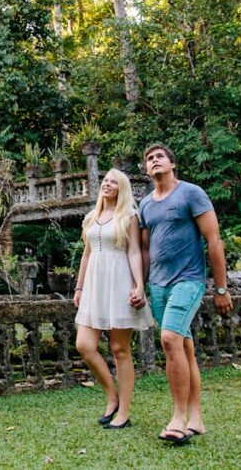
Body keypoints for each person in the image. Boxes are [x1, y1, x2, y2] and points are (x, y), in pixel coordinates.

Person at [138, 144, 233, 445]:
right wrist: (140, 285)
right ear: (146, 169)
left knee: (168, 339)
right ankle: (196, 418)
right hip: (158, 285)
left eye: (159, 157)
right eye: (149, 159)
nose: (154, 161)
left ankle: (178, 418)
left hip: (189, 280)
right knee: (184, 347)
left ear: (172, 163)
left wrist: (221, 288)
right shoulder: (145, 205)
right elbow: (143, 249)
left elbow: (214, 240)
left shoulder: (191, 193)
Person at [73, 168, 155, 430]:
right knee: (84, 345)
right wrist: (79, 288)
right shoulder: (91, 217)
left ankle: (125, 412)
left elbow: (134, 252)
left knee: (120, 350)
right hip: (94, 286)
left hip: (120, 282)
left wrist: (139, 285)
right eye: (105, 180)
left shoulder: (129, 216)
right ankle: (112, 396)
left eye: (113, 182)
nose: (107, 184)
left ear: (122, 189)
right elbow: (86, 255)